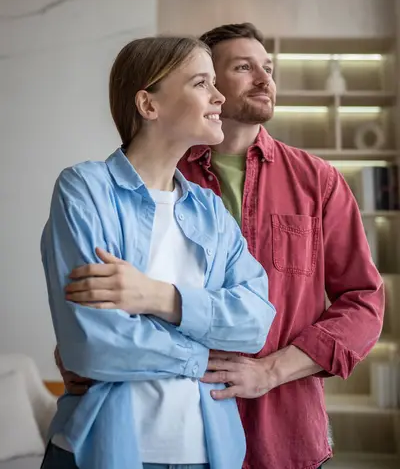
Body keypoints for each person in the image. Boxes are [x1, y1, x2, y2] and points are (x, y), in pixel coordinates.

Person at [56, 23, 385, 469]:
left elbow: (362, 301)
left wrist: (271, 370)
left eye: (268, 68)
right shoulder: (147, 178)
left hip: (284, 432)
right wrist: (83, 346)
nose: (265, 80)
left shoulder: (318, 182)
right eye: (244, 68)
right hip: (158, 427)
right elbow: (97, 323)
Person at [40, 35, 276, 469]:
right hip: (101, 450)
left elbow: (256, 321)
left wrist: (158, 298)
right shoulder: (86, 190)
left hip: (209, 454)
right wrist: (201, 354)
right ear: (149, 105)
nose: (220, 96)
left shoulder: (209, 209)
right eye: (202, 83)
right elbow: (95, 347)